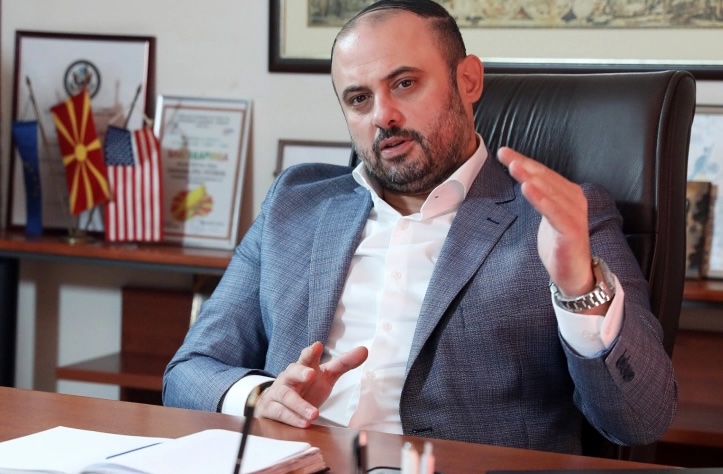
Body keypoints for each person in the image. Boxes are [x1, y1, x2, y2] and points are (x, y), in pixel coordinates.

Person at [163, 0, 676, 454]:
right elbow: (188, 373)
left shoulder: (560, 217)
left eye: (404, 84)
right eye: (359, 99)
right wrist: (261, 397)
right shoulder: (296, 203)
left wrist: (578, 288)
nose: (383, 115)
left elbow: (641, 420)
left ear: (468, 80)